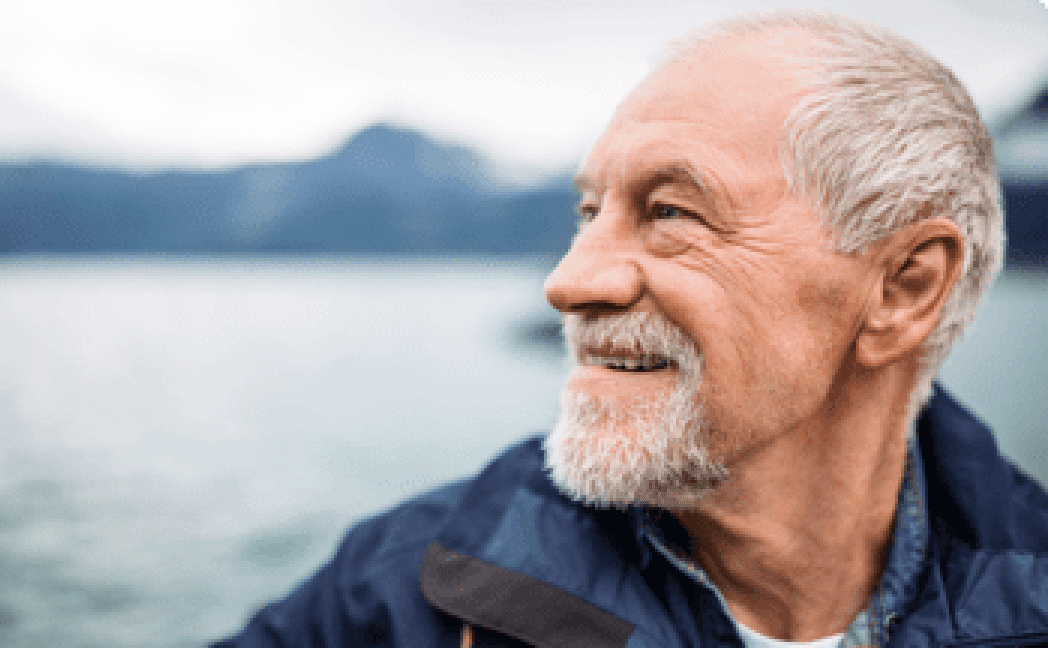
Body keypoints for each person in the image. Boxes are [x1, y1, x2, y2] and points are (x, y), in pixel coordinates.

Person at [212, 11, 1048, 648]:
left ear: (904, 288)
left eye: (671, 211)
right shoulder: (411, 586)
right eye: (588, 212)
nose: (569, 281)